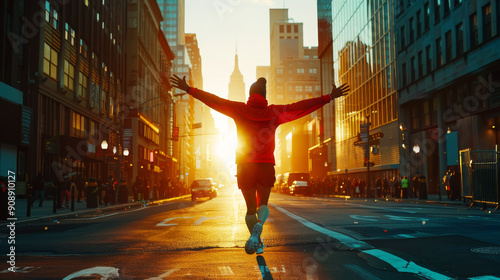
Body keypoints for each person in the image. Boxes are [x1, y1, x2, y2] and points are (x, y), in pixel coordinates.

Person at [171, 74, 349, 255]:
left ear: (249, 95)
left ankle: (256, 239)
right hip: (265, 166)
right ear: (265, 96)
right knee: (262, 204)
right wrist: (329, 97)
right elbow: (301, 107)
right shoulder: (274, 112)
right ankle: (259, 226)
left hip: (245, 166)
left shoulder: (238, 109)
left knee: (249, 208)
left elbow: (214, 100)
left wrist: (189, 89)